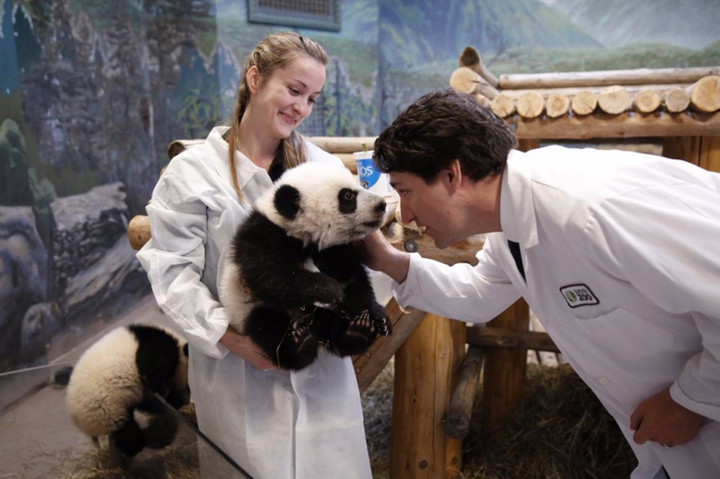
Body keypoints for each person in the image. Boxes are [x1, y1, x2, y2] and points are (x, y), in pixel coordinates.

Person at [360, 88, 720, 479]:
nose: (406, 214)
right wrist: (388, 262)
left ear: (452, 174)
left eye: (405, 191)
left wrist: (689, 401)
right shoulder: (512, 223)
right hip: (676, 453)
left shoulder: (593, 208)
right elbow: (479, 295)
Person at [137, 32, 372, 479]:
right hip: (238, 374)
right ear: (254, 78)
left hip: (320, 371)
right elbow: (173, 274)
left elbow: (349, 263)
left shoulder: (320, 168)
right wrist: (231, 337)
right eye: (294, 90)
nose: (301, 107)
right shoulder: (193, 173)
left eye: (312, 98)